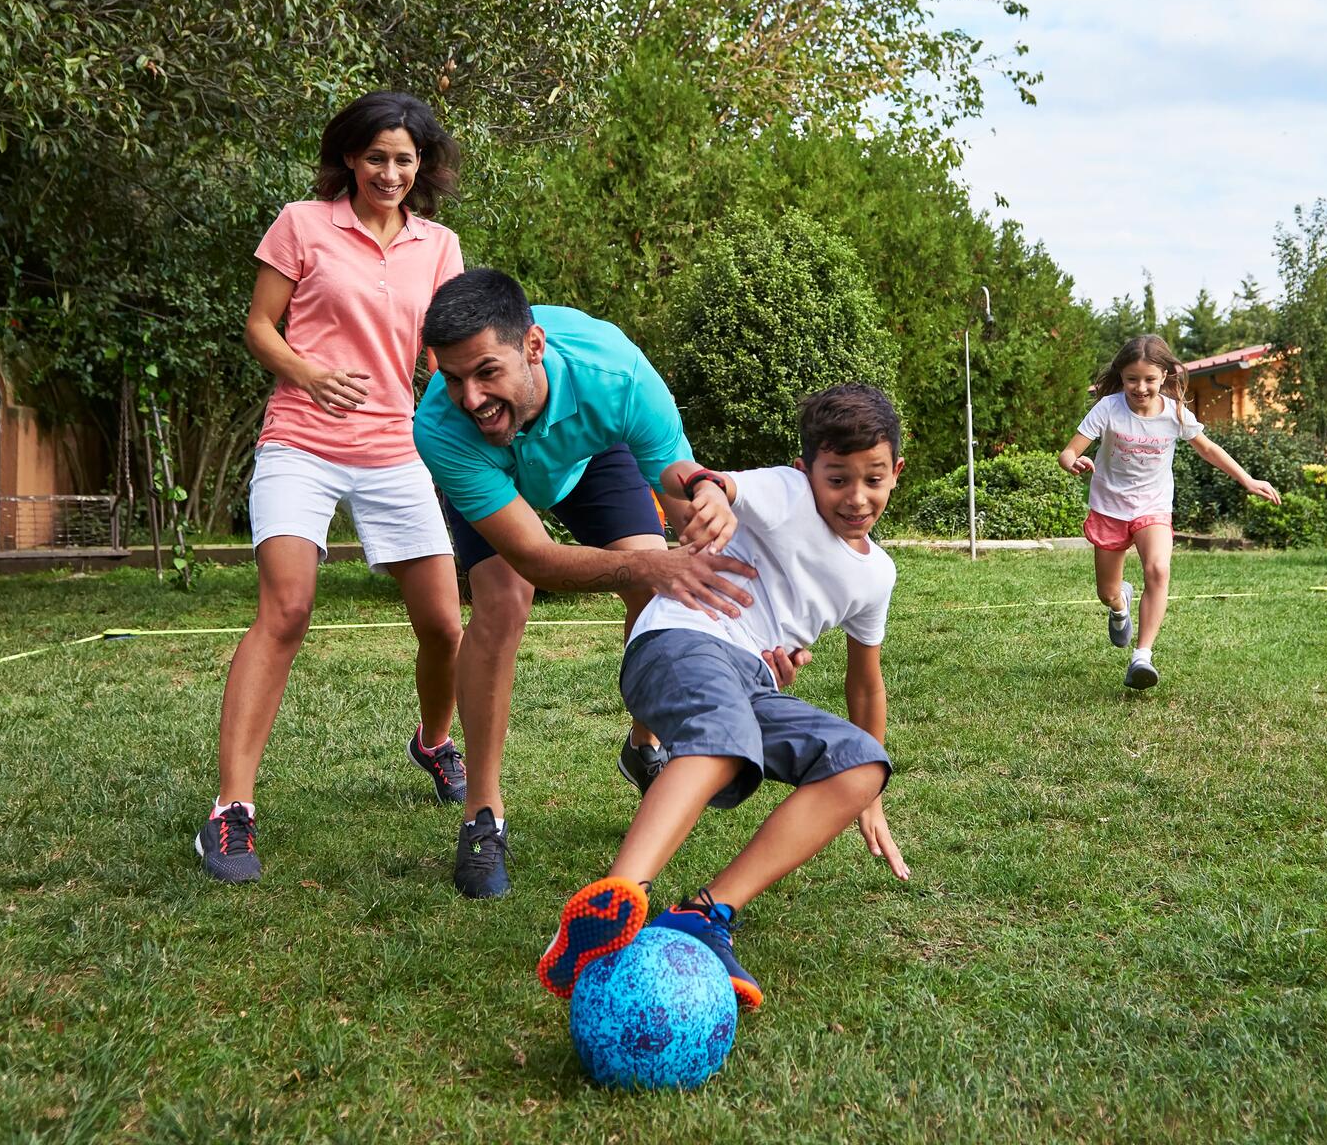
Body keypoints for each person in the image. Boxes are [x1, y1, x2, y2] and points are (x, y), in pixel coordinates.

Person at [535, 384, 913, 1010]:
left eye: (872, 478)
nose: (855, 496)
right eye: (837, 478)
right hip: (680, 641)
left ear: (896, 472)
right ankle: (614, 899)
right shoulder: (787, 495)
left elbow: (864, 679)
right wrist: (708, 492)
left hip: (751, 680)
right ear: (806, 471)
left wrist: (869, 800)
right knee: (724, 733)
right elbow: (700, 479)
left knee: (860, 765)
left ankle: (703, 915)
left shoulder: (878, 575)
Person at [412, 267, 761, 899]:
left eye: (487, 372)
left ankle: (644, 744)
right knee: (503, 600)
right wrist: (651, 565)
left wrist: (708, 504)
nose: (470, 397)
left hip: (587, 459)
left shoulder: (617, 373)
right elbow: (537, 560)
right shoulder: (441, 425)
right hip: (496, 474)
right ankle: (482, 815)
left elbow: (684, 499)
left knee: (659, 580)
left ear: (534, 348)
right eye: (453, 377)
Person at [197, 92, 469, 883]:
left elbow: (440, 356)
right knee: (286, 610)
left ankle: (432, 742)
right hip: (302, 443)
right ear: (350, 158)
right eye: (377, 157)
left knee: (446, 627)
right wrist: (309, 373)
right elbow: (259, 327)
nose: (390, 172)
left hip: (395, 446)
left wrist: (464, 417)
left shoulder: (439, 245)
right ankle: (231, 811)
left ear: (422, 167)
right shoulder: (301, 223)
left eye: (405, 159)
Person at [1058, 334, 1280, 690]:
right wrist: (1074, 462)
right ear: (1122, 377)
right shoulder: (1108, 409)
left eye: (1149, 379)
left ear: (1164, 376)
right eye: (1132, 379)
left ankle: (1142, 656)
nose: (1140, 387)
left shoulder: (1175, 412)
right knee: (1106, 592)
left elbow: (1208, 449)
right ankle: (1120, 605)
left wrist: (1247, 478)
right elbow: (1068, 452)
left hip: (1153, 506)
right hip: (1110, 507)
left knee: (1159, 568)